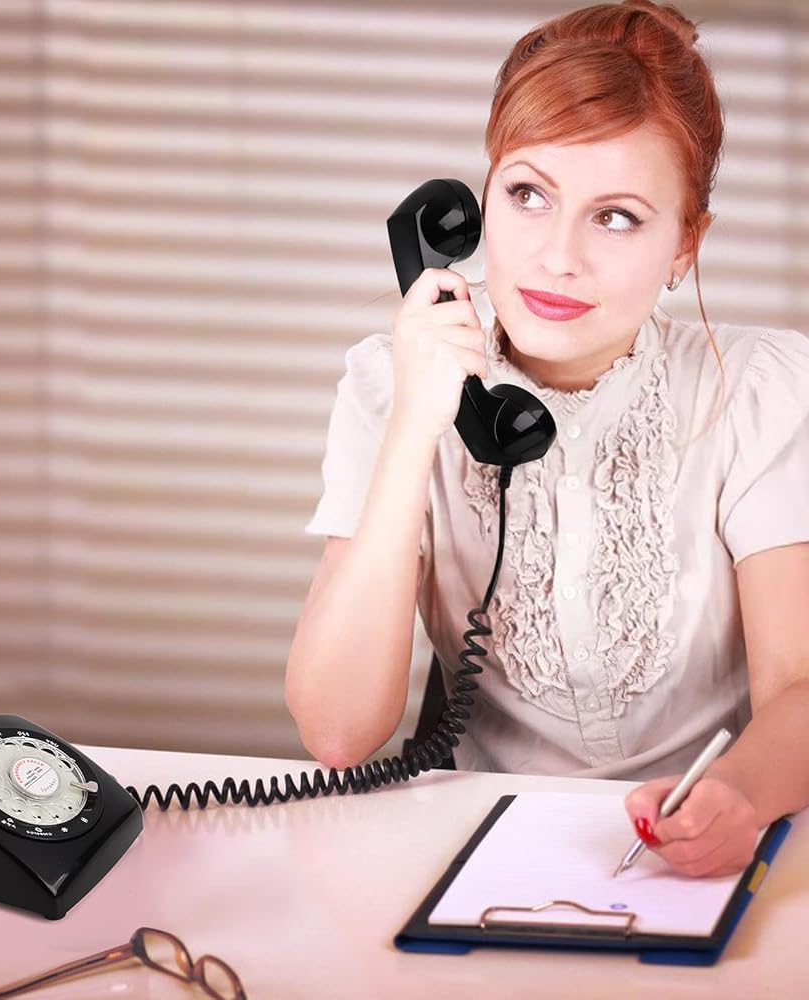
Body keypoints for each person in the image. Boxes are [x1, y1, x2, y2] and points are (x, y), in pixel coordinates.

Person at [284, 0, 809, 878]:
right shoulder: (391, 381)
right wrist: (416, 425)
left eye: (616, 216)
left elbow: (798, 688)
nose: (558, 257)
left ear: (685, 244)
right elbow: (337, 733)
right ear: (477, 203)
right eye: (528, 195)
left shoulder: (756, 390)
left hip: (700, 847)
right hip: (468, 850)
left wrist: (740, 795)